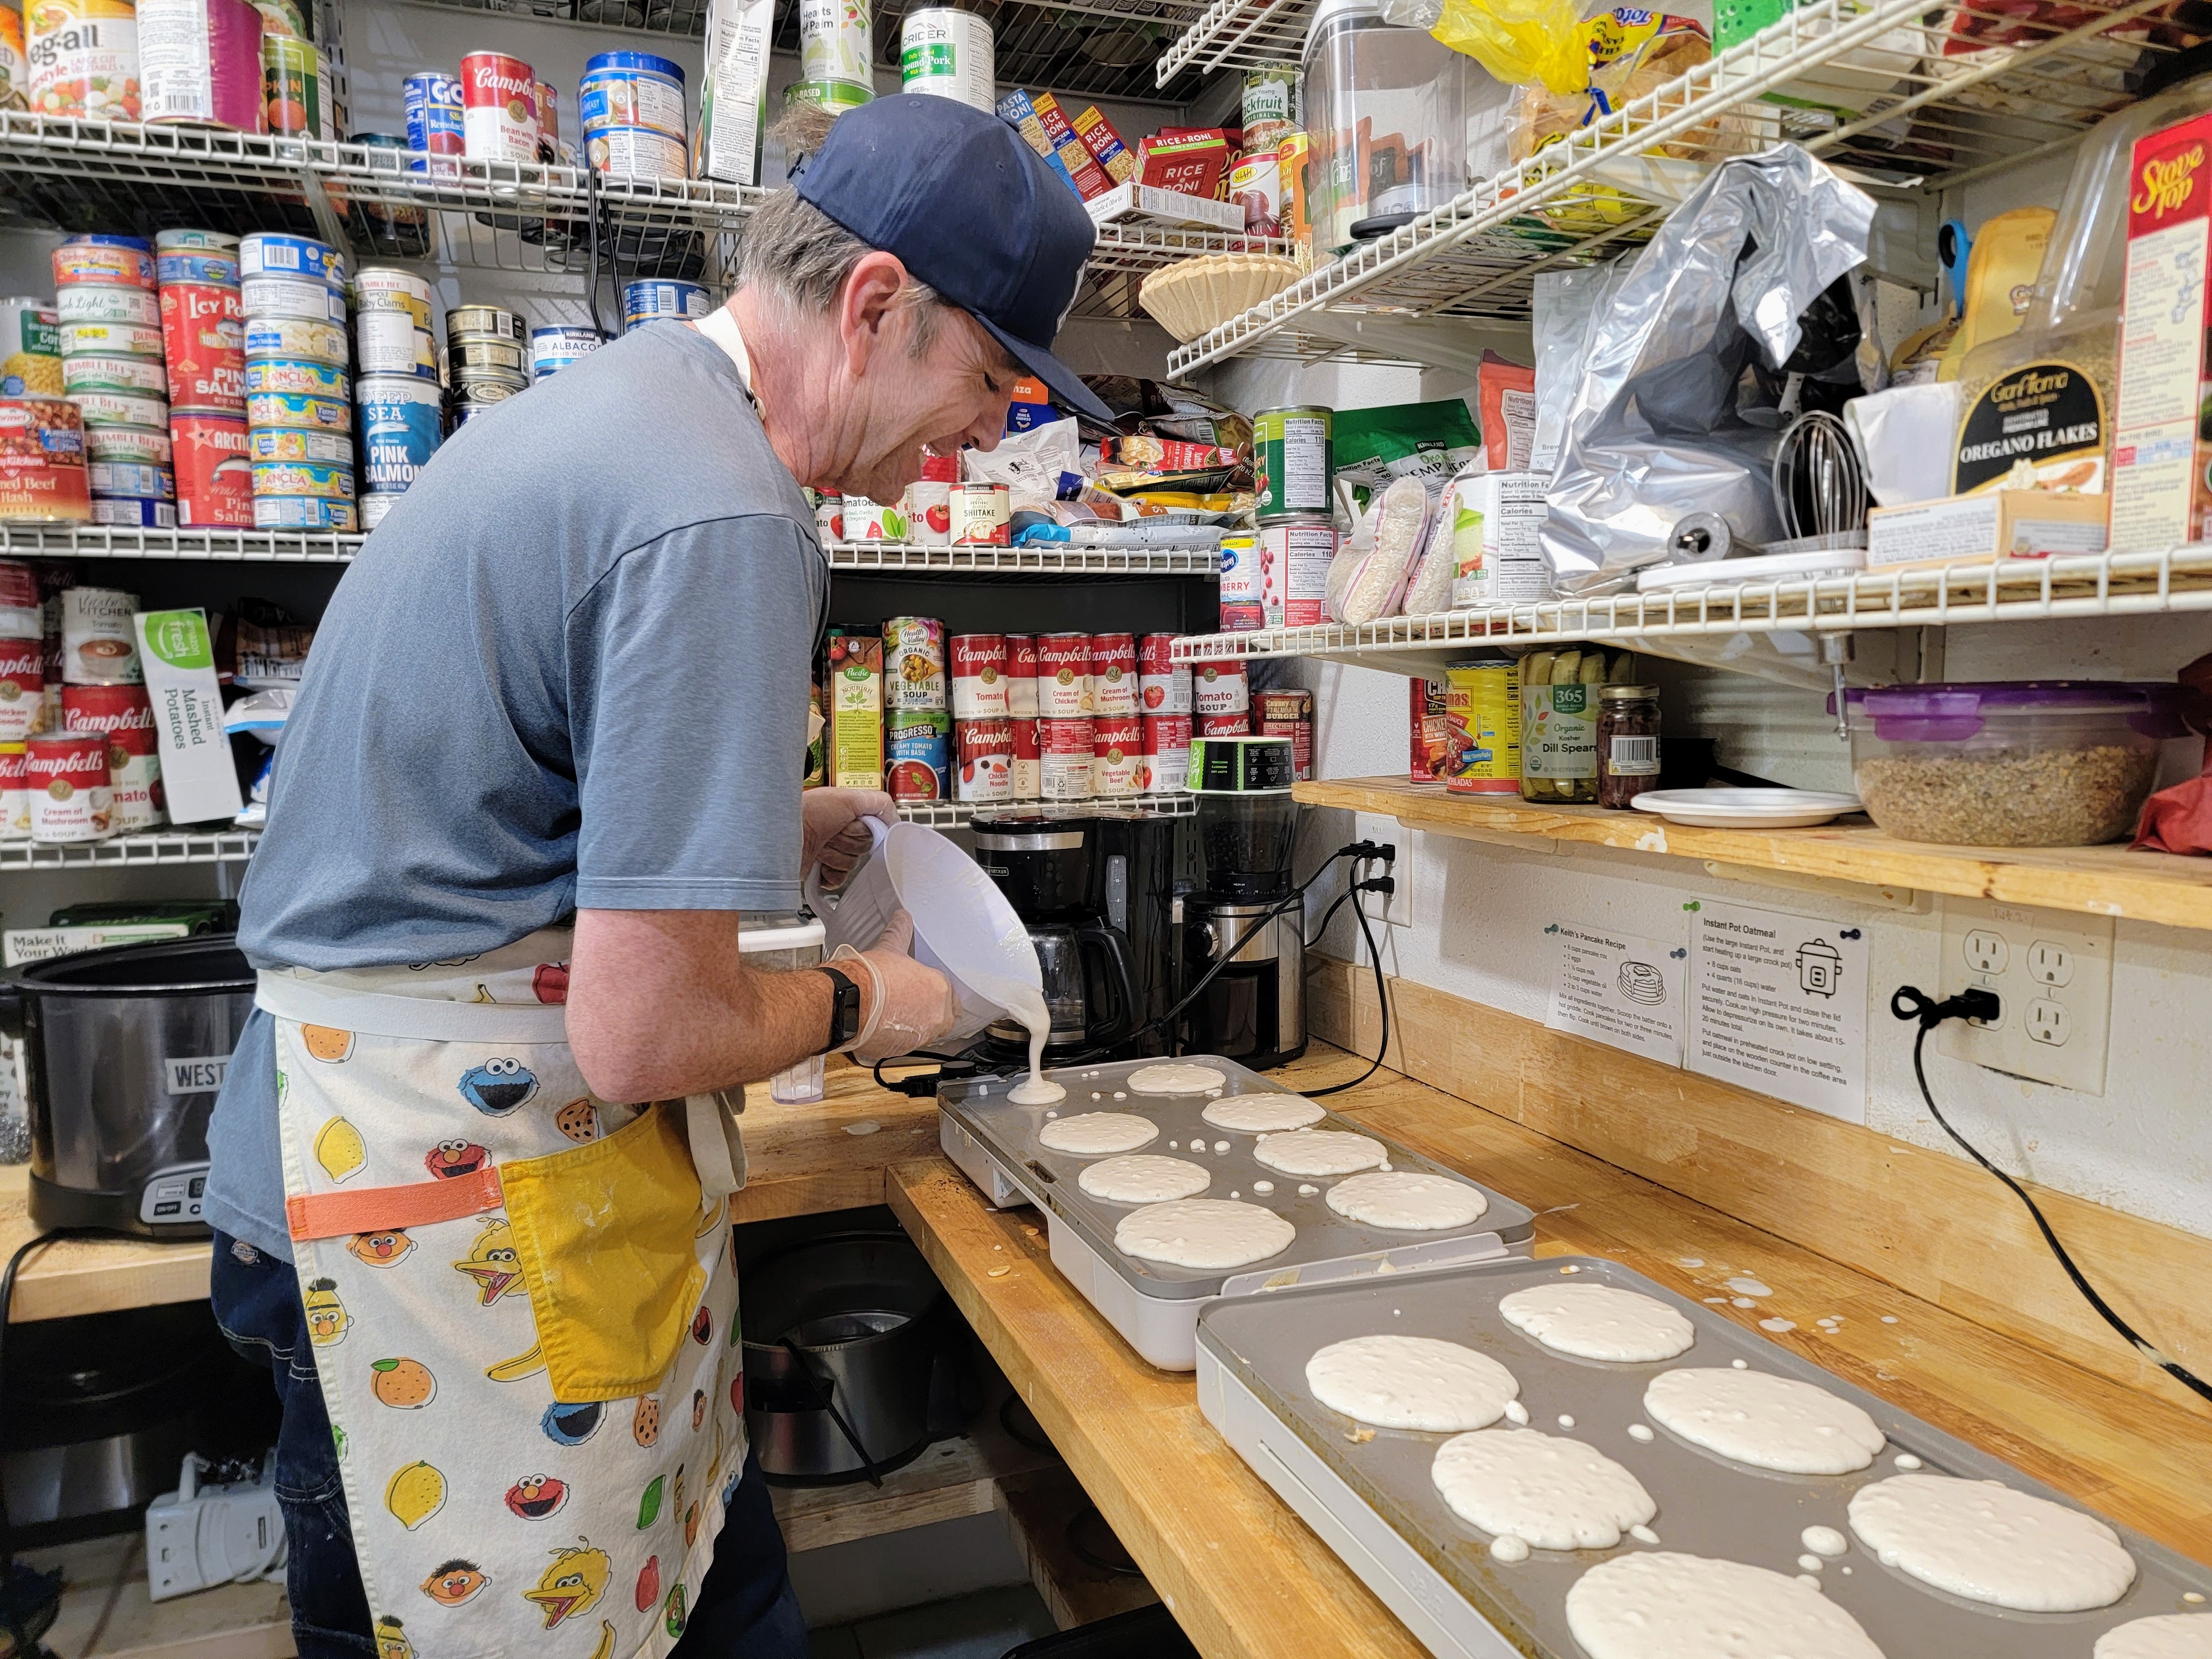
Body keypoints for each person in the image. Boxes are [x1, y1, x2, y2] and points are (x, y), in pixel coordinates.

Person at [201, 94, 1118, 1659]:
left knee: (717, 1593)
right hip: (436, 1231)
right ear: (877, 304)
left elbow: (521, 795)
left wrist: (780, 815)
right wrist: (874, 995)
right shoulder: (726, 512)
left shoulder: (639, 407)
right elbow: (647, 1037)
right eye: (989, 379)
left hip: (379, 1162)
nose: (989, 431)